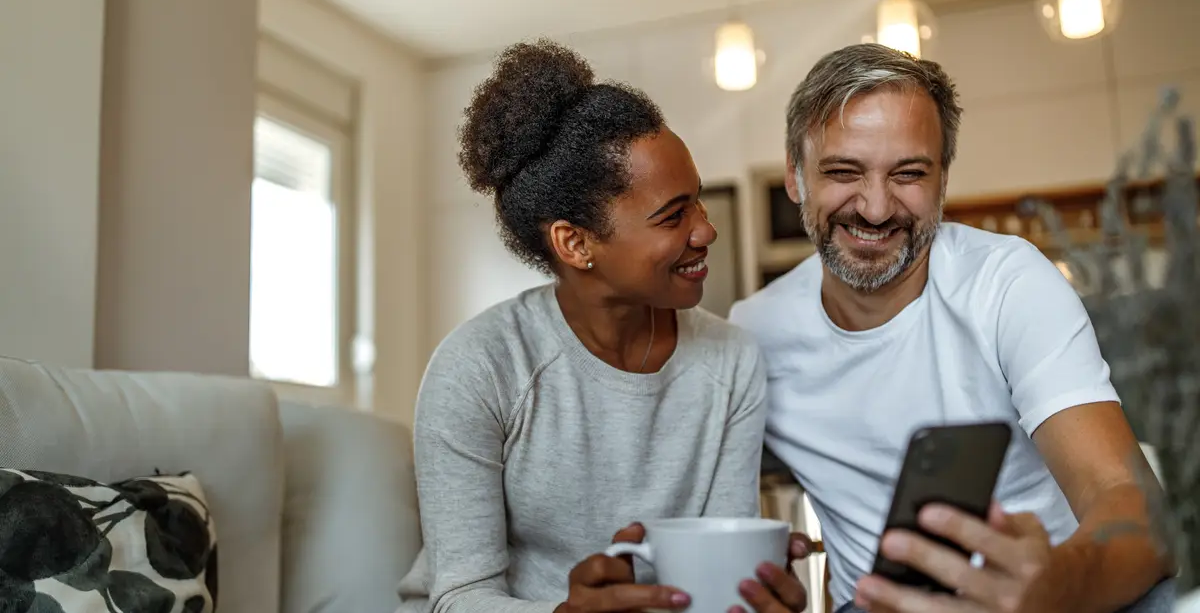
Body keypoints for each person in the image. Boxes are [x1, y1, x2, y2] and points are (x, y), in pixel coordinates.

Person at [729, 43, 1177, 613]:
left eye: (908, 174)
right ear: (795, 176)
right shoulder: (752, 335)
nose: (874, 207)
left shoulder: (1007, 282)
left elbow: (1129, 501)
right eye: (842, 172)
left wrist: (1051, 590)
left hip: (1068, 591)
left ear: (942, 181)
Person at [396, 39, 807, 613]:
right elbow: (459, 597)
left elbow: (717, 575)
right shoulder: (480, 367)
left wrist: (750, 593)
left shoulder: (730, 360)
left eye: (699, 203)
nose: (706, 231)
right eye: (673, 216)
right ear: (575, 242)